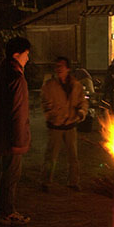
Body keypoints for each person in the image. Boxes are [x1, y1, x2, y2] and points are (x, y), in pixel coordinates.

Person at [0, 37, 31, 225]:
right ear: (16, 55)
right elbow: (17, 112)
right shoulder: (16, 77)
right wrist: (19, 141)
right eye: (26, 54)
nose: (28, 58)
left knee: (2, 171)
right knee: (11, 173)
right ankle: (7, 212)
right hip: (11, 136)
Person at [41, 56, 88, 192]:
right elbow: (45, 103)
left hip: (70, 125)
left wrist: (81, 112)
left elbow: (83, 101)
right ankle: (46, 181)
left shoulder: (76, 85)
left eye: (61, 66)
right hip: (55, 125)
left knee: (73, 156)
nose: (59, 68)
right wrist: (52, 115)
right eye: (57, 66)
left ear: (68, 68)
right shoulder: (49, 86)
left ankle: (73, 181)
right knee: (51, 156)